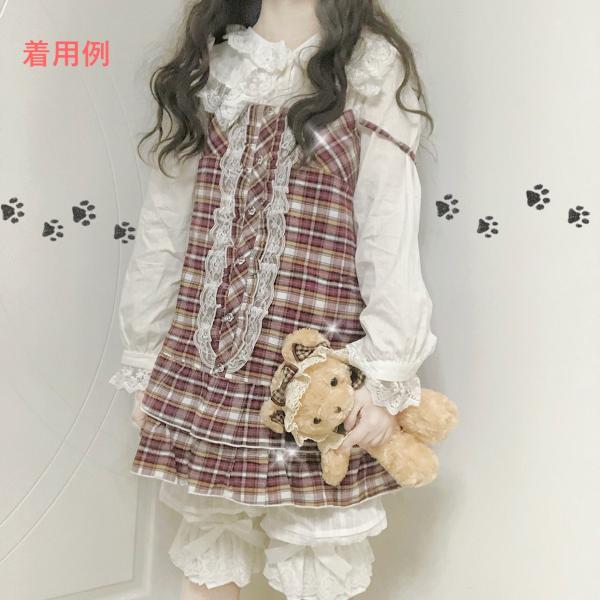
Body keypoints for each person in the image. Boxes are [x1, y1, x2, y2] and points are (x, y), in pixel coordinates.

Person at [108, 1, 438, 598]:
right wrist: (145, 358)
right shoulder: (212, 69)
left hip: (316, 373)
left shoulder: (368, 68)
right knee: (209, 539)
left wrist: (387, 370)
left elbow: (388, 230)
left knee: (319, 550)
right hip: (205, 365)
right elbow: (163, 229)